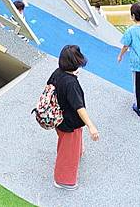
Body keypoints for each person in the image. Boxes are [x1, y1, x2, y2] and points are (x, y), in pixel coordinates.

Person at [48, 45, 99, 191]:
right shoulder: (71, 83)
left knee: (67, 144)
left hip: (59, 118)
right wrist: (91, 126)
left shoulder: (57, 74)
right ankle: (63, 180)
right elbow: (79, 107)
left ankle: (78, 152)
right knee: (68, 152)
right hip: (70, 123)